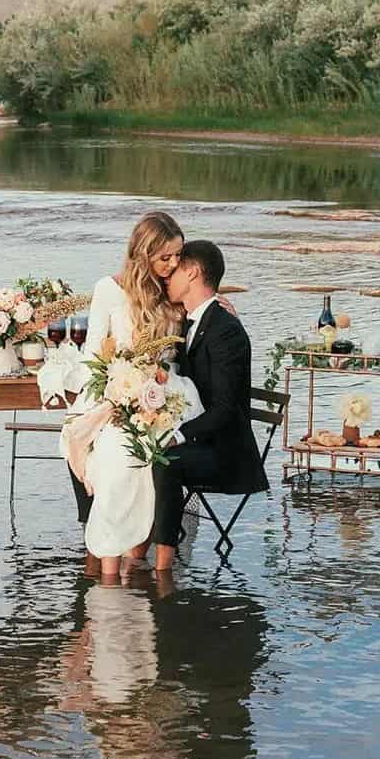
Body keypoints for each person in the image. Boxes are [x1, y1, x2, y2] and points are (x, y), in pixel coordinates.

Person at [62, 212, 202, 577]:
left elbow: (186, 343)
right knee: (97, 446)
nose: (173, 265)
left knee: (135, 456)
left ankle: (134, 555)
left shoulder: (174, 292)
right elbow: (94, 351)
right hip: (119, 386)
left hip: (167, 391)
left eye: (177, 256)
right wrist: (109, 392)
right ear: (143, 254)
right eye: (165, 257)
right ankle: (106, 563)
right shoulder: (108, 289)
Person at [153, 240, 267, 571]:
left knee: (166, 459)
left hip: (225, 453)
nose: (166, 278)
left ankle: (163, 569)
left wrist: (178, 434)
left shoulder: (225, 329)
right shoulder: (186, 321)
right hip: (200, 441)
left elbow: (227, 409)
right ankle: (129, 546)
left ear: (192, 272)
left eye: (173, 271)